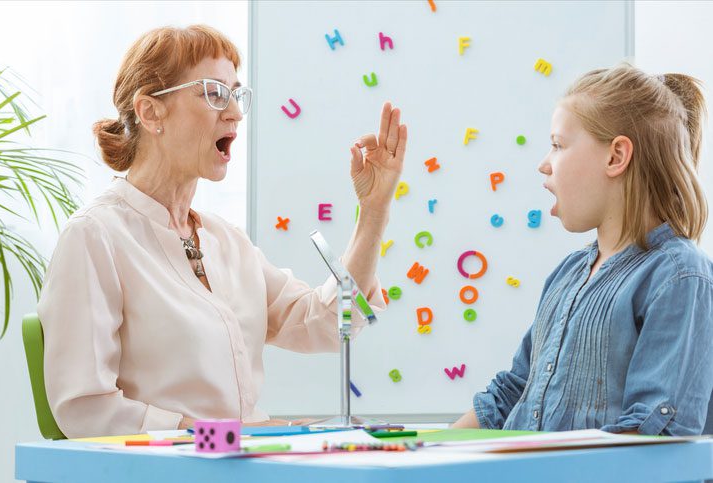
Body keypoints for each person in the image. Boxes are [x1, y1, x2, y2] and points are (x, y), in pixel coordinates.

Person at [37, 25, 407, 438]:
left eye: (235, 93)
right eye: (213, 92)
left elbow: (327, 321)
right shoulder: (95, 237)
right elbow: (83, 406)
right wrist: (223, 437)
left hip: (243, 461)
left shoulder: (226, 241)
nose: (234, 112)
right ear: (150, 112)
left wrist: (373, 210)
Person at [453, 64, 712, 436]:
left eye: (558, 145)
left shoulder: (679, 277)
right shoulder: (568, 273)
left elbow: (651, 435)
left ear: (615, 157)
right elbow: (511, 395)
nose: (544, 164)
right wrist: (422, 455)